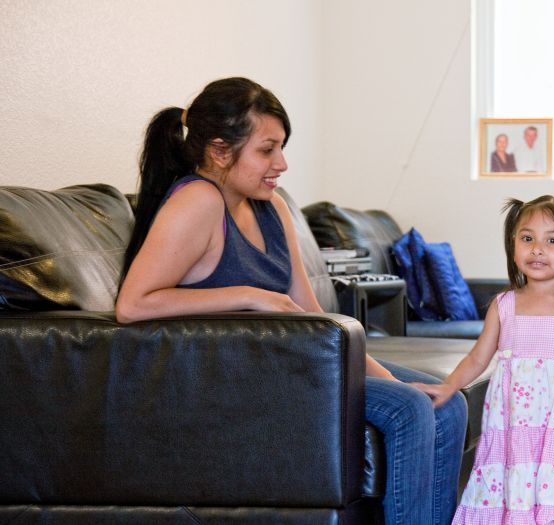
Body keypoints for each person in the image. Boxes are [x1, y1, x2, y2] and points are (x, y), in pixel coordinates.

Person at [114, 77, 467, 525]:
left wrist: (375, 371)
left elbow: (312, 314)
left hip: (298, 362)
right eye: (267, 149)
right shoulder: (198, 201)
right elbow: (133, 304)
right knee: (409, 407)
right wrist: (250, 295)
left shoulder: (271, 205)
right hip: (247, 375)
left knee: (446, 402)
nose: (281, 163)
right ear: (221, 152)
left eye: (281, 147)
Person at [414, 195, 554, 524]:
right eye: (527, 238)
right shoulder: (503, 304)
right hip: (513, 429)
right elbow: (480, 356)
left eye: (552, 240)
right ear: (513, 244)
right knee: (514, 492)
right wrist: (448, 386)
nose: (537, 249)